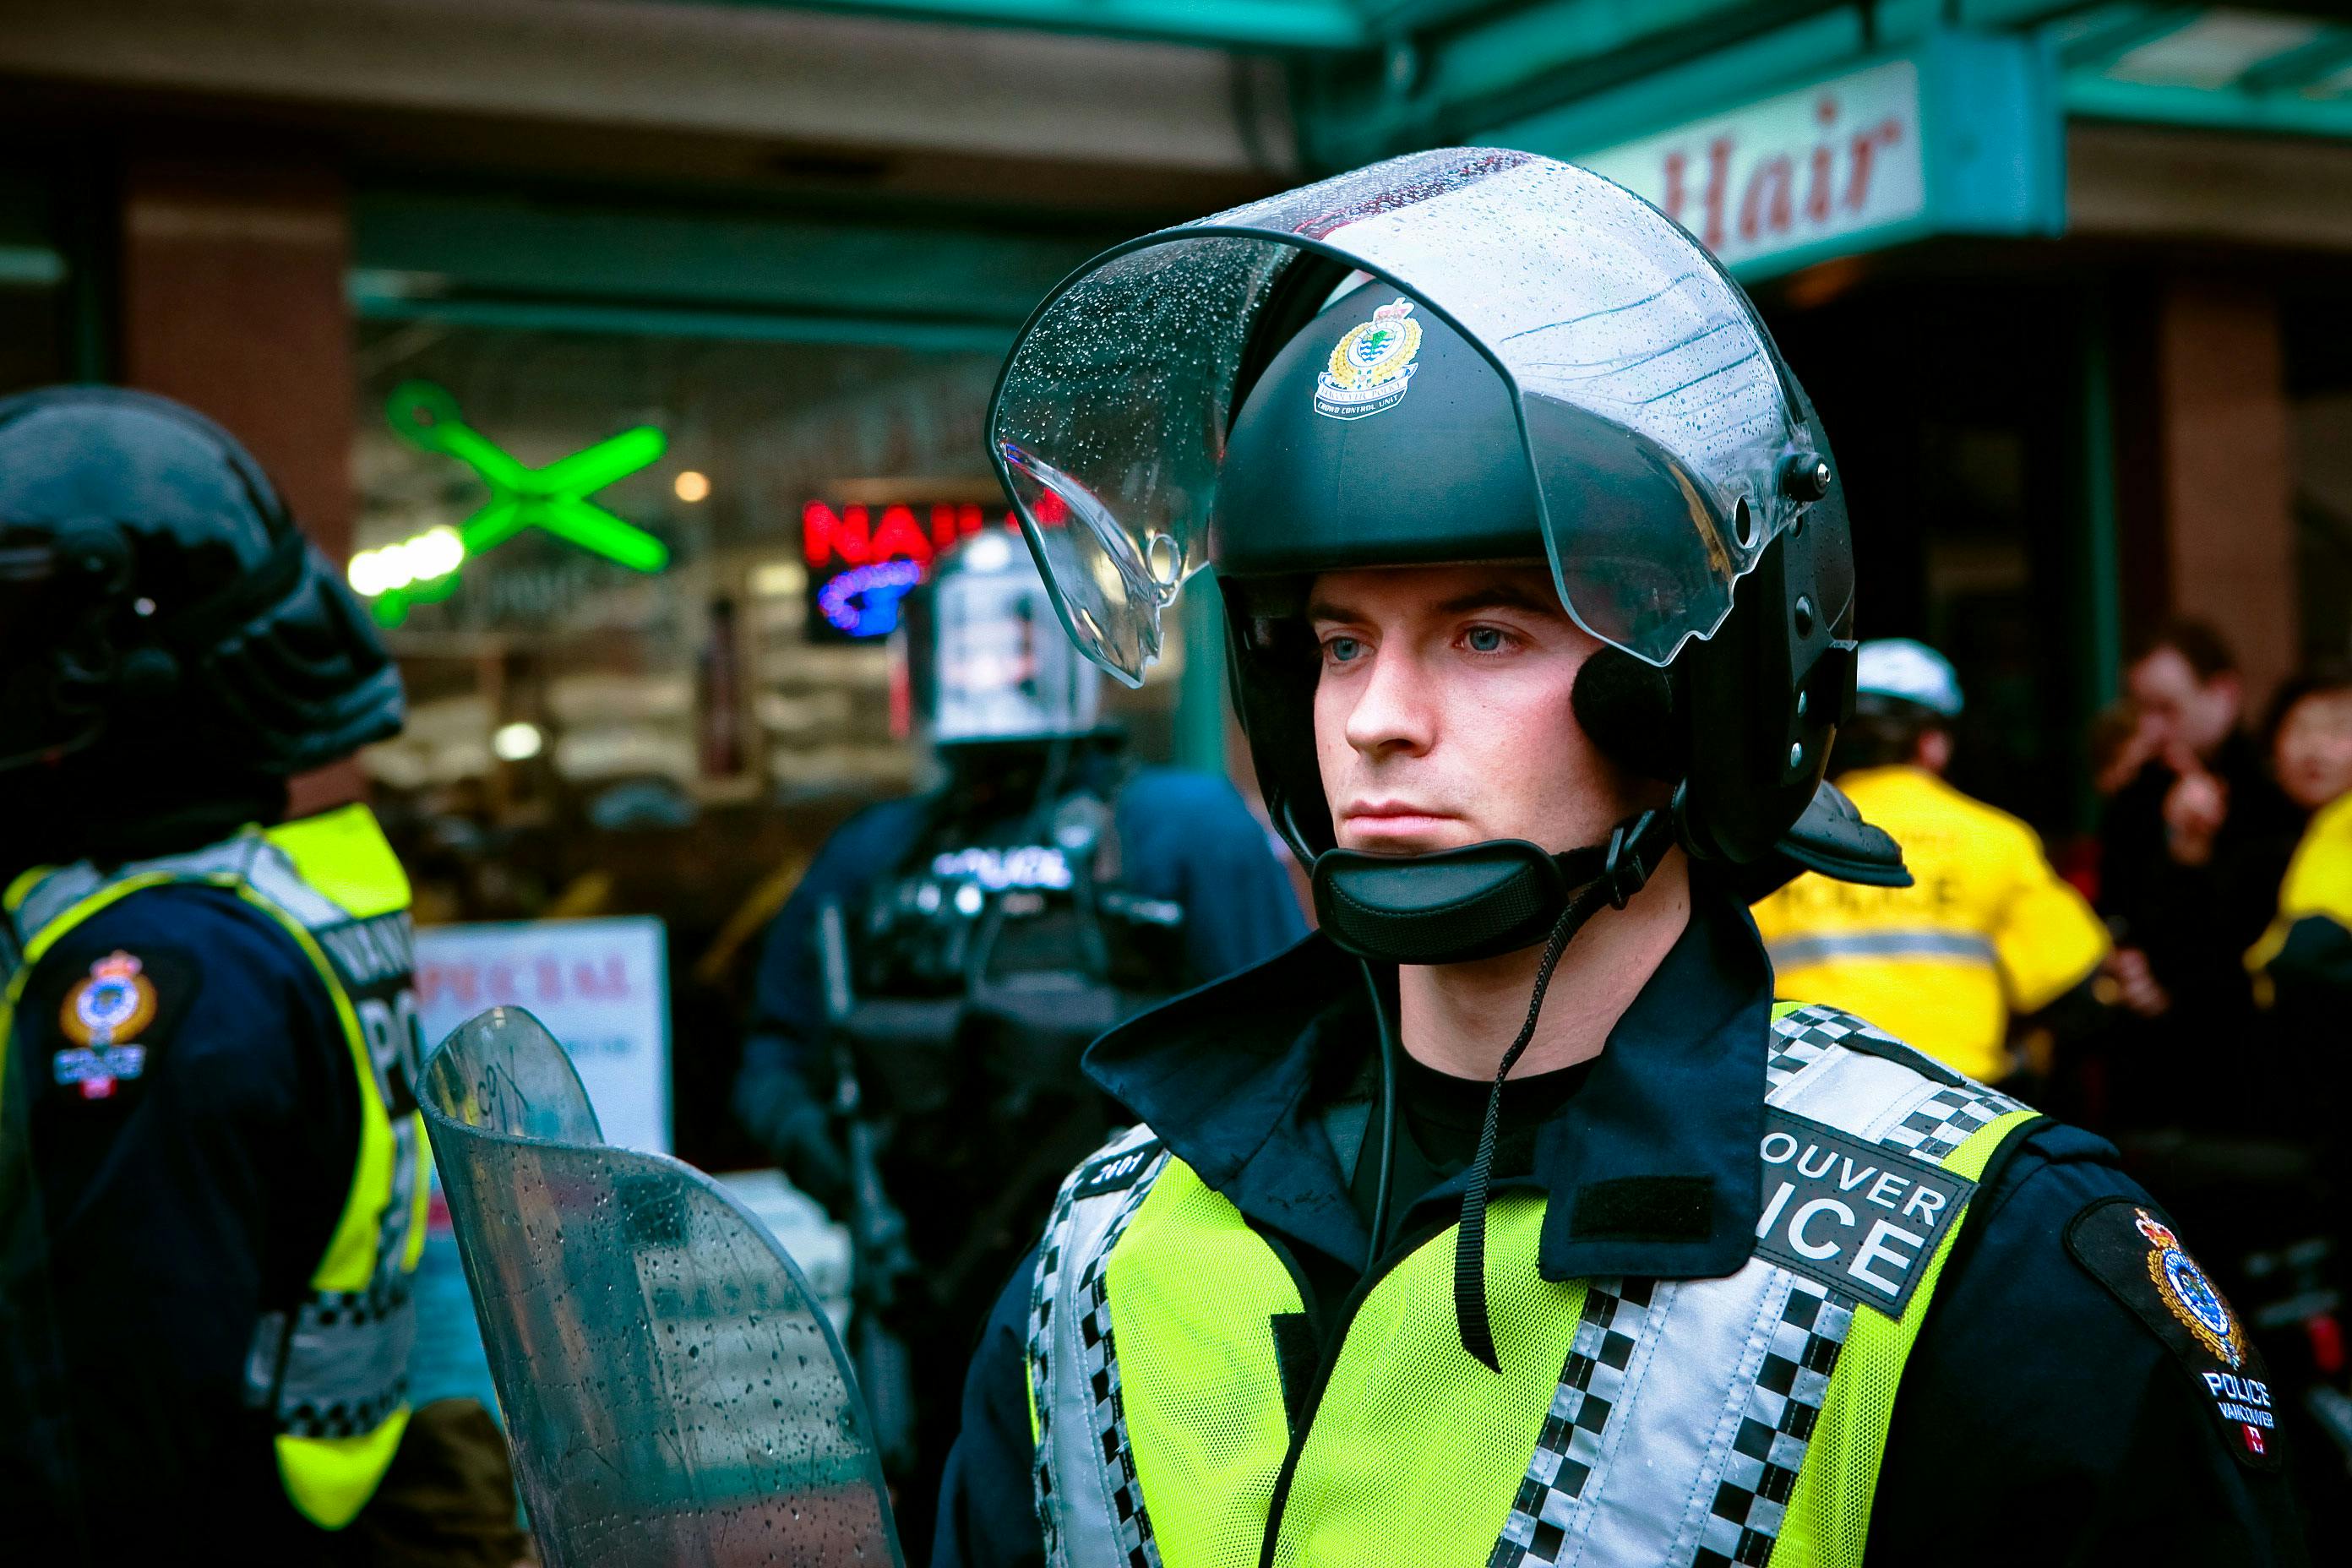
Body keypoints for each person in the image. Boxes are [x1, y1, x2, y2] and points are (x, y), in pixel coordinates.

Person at [935, 151, 2305, 1565]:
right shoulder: (1105, 1241)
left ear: (1696, 690)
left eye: (1486, 634)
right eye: (1337, 641)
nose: (1372, 720)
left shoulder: (1979, 1265)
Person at [0, 388, 524, 1564]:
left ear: (120, 668)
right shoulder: (254, 901)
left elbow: (106, 1419)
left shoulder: (154, 975)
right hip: (308, 1505)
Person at [732, 528, 1304, 1556]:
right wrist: (836, 1169)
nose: (992, 665)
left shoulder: (1180, 829)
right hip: (925, 1292)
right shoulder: (872, 855)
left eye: (1017, 641)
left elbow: (1291, 1051)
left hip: (1158, 1295)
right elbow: (776, 1055)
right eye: (968, 643)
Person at [1750, 638, 2109, 1089]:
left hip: (1805, 1104)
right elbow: (2076, 988)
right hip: (1961, 1112)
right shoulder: (1997, 840)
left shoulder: (1782, 839)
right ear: (1934, 744)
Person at [2098, 623, 2302, 1124]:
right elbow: (2115, 906)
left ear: (2223, 694)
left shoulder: (2276, 793)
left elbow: (2259, 928)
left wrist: (2192, 854)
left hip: (2250, 1067)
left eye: (2167, 709)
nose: (2151, 729)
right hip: (2151, 1069)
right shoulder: (2139, 794)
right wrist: (2127, 965)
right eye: (2140, 710)